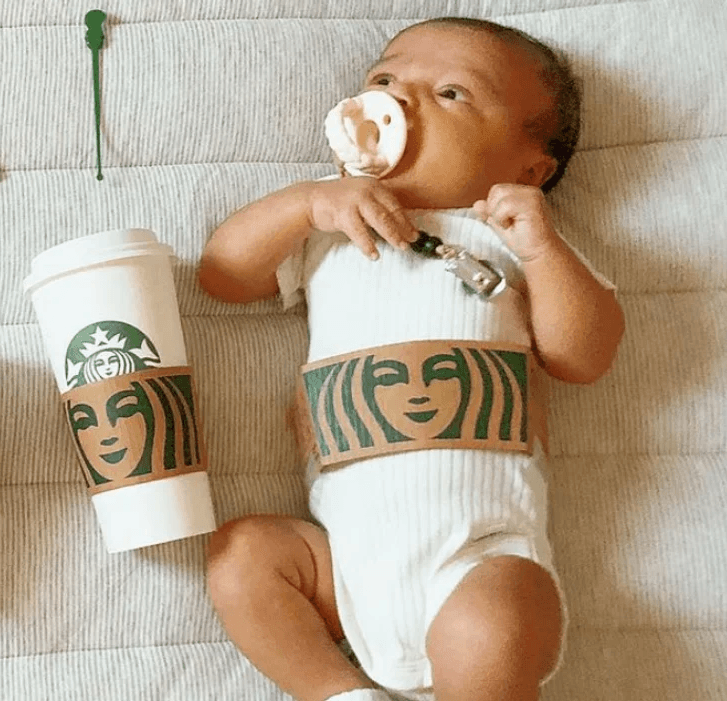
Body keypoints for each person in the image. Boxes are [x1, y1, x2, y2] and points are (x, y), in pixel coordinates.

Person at [197, 17, 625, 701]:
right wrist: (307, 204)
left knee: (495, 623)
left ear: (528, 168)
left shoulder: (512, 238)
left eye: (451, 93)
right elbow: (220, 274)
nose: (401, 99)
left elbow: (583, 355)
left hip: (477, 559)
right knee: (240, 556)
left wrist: (543, 251)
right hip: (343, 571)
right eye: (383, 79)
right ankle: (339, 692)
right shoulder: (329, 230)